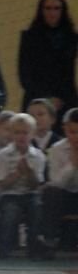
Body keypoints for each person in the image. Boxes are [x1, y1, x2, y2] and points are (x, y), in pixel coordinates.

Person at [0, 112, 45, 258]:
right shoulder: (3, 155)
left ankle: (33, 246)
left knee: (36, 208)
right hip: (10, 194)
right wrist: (17, 173)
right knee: (10, 211)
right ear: (11, 134)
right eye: (17, 132)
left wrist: (28, 172)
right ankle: (4, 247)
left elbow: (36, 185)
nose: (21, 136)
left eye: (25, 133)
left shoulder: (38, 156)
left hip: (30, 194)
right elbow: (1, 184)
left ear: (32, 134)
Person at [18, 0, 76, 116]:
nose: (52, 13)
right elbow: (24, 73)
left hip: (66, 100)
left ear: (63, 11)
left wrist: (62, 98)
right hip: (36, 101)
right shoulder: (29, 37)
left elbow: (70, 73)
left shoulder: (72, 38)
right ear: (41, 10)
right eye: (48, 8)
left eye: (57, 8)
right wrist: (46, 98)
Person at [38, 107, 78, 260]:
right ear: (65, 129)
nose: (77, 137)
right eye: (73, 132)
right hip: (64, 196)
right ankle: (49, 242)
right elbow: (56, 182)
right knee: (51, 192)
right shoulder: (56, 149)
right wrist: (72, 165)